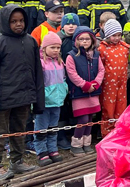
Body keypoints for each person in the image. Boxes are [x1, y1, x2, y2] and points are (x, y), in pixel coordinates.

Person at [0, 5, 45, 181]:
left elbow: (37, 72)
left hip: (24, 96)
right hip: (3, 98)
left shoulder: (30, 42)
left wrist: (37, 98)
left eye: (21, 21)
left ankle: (17, 161)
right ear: (5, 22)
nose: (18, 24)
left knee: (19, 130)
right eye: (14, 21)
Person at [65, 26, 104, 155]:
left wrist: (96, 83)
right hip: (79, 93)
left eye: (87, 39)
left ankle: (86, 143)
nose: (85, 41)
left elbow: (101, 70)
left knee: (90, 118)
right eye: (81, 39)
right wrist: (84, 85)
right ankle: (76, 144)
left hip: (93, 92)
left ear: (92, 40)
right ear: (76, 41)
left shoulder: (96, 55)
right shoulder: (71, 56)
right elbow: (72, 73)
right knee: (82, 119)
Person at [34, 33, 67, 167]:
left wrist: (64, 90)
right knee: (41, 128)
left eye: (58, 48)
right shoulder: (41, 63)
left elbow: (63, 79)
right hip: (45, 101)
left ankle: (52, 149)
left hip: (57, 100)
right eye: (52, 47)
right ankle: (41, 151)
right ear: (44, 48)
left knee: (53, 126)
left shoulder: (60, 62)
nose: (56, 50)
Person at [98, 19, 130, 138]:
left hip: (122, 83)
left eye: (118, 35)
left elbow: (128, 64)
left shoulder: (124, 48)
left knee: (121, 105)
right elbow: (100, 66)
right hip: (108, 85)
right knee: (108, 107)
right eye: (113, 35)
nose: (117, 38)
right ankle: (107, 133)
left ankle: (119, 131)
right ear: (108, 35)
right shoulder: (103, 48)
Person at [56, 13, 79, 150]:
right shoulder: (58, 39)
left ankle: (73, 132)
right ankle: (61, 136)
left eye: (74, 24)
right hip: (61, 78)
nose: (71, 26)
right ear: (62, 26)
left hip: (77, 79)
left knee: (74, 107)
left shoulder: (80, 39)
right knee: (62, 108)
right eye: (68, 24)